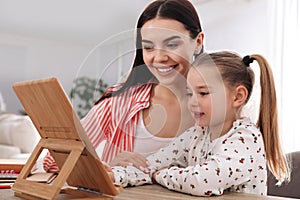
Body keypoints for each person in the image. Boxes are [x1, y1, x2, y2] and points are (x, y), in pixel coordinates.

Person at [43, 0, 204, 172]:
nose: (159, 58)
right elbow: (53, 160)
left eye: (172, 45)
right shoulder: (118, 103)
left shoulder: (222, 105)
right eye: (148, 47)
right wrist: (106, 168)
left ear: (198, 42)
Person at [108, 51, 290, 196]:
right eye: (189, 94)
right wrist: (114, 175)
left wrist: (159, 175)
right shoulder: (196, 134)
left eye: (203, 93)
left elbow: (203, 181)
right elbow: (151, 165)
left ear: (238, 96)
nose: (193, 102)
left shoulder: (245, 139)